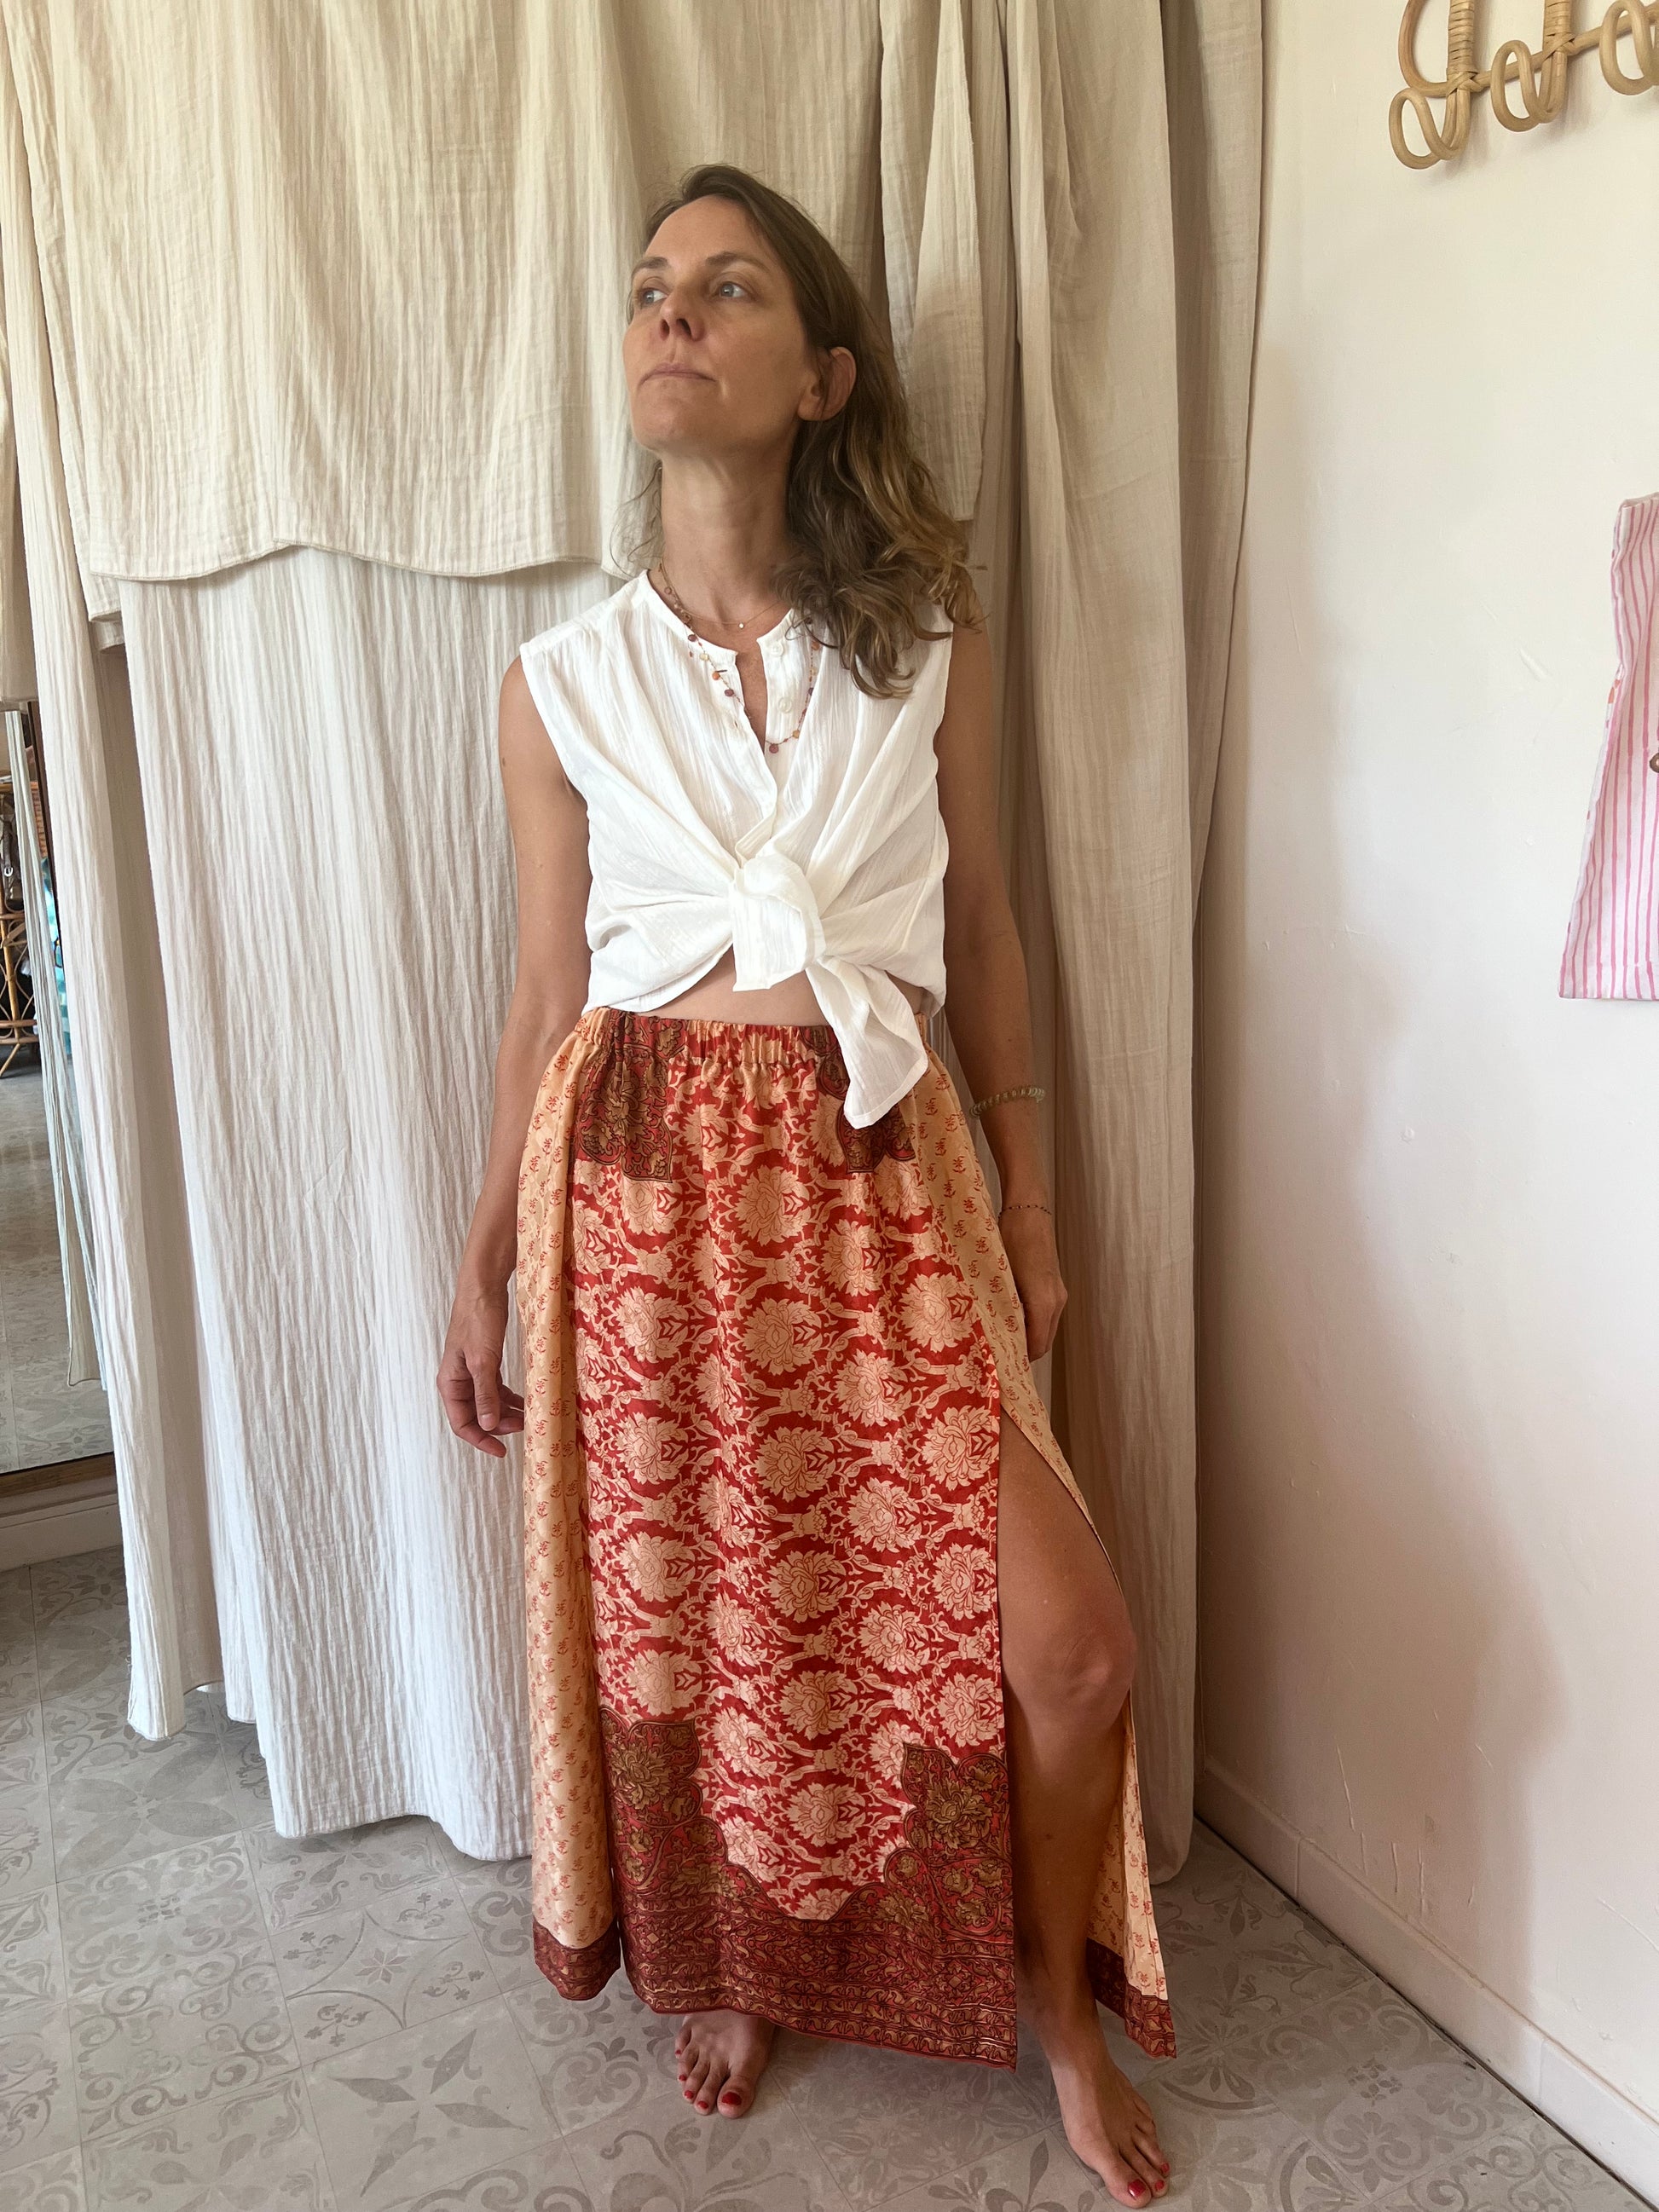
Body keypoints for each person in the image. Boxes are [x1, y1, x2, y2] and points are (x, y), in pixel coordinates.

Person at [439, 162, 1175, 2209]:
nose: (673, 313)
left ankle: (1052, 1999)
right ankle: (741, 1965)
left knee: (1074, 1643)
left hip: (879, 1166)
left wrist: (1034, 1208)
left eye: (730, 286)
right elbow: (540, 996)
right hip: (644, 1187)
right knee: (715, 1627)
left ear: (825, 374)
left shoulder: (923, 642)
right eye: (649, 287)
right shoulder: (557, 684)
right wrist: (482, 1246)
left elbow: (988, 929)